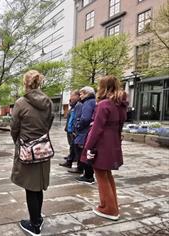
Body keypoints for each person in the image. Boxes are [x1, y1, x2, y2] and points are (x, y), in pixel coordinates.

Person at [10, 70, 53, 235]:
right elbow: (49, 122)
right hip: (43, 149)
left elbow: (14, 128)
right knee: (38, 186)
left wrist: (19, 142)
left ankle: (34, 225)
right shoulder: (48, 101)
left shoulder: (21, 103)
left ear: (25, 84)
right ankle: (38, 218)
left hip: (27, 150)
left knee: (30, 187)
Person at [81, 76, 127, 221]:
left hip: (102, 143)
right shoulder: (120, 104)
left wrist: (88, 147)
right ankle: (113, 206)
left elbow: (96, 129)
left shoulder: (104, 104)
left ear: (103, 87)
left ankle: (109, 209)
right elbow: (119, 127)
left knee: (101, 175)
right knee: (107, 175)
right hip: (113, 142)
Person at [70, 86, 96, 184]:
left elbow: (85, 118)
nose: (80, 96)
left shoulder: (88, 103)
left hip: (83, 132)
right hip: (87, 131)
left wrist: (78, 125)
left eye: (81, 94)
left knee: (82, 152)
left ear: (86, 93)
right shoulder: (93, 101)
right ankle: (87, 173)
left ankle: (88, 175)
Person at [59, 90, 80, 168]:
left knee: (73, 145)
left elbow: (76, 118)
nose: (71, 97)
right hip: (69, 129)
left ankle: (71, 160)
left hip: (73, 130)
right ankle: (71, 158)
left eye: (72, 95)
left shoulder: (78, 105)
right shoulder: (73, 106)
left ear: (77, 96)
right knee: (71, 145)